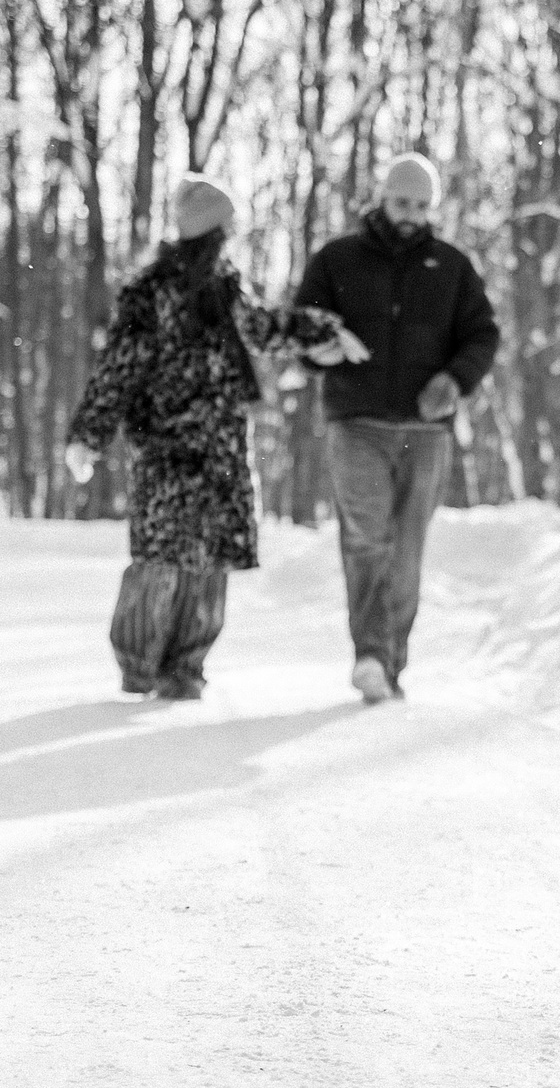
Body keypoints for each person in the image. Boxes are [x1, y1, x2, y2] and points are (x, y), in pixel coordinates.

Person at [64, 175, 356, 700]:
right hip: (165, 446)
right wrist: (90, 432)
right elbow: (120, 367)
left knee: (208, 561)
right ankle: (139, 663)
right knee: (161, 557)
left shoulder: (227, 286)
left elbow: (264, 329)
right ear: (214, 230)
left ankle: (185, 668)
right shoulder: (148, 292)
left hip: (219, 446)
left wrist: (319, 331)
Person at [295, 152, 500, 704]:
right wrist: (320, 347)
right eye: (401, 202)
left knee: (406, 549)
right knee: (366, 538)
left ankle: (391, 662)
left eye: (421, 205)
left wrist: (454, 381)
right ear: (382, 199)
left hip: (426, 431)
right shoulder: (337, 260)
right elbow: (302, 325)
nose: (410, 214)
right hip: (354, 421)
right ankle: (370, 655)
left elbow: (482, 335)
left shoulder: (453, 267)